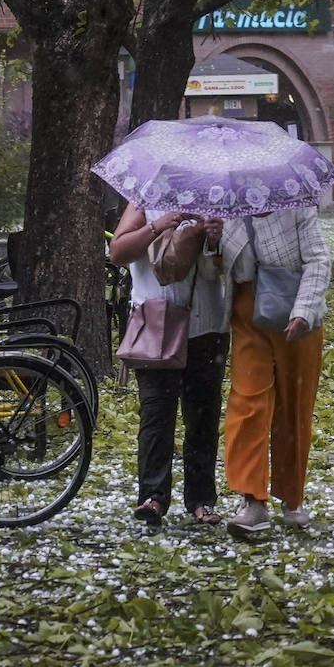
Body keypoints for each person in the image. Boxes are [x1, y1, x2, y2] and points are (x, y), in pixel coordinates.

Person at [110, 205, 228, 527]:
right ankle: (153, 496)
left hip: (207, 327)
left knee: (202, 418)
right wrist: (156, 226)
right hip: (155, 325)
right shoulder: (144, 200)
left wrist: (216, 241)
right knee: (156, 416)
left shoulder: (215, 201)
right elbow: (117, 252)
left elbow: (227, 269)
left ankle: (201, 499)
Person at [216, 206, 330, 535]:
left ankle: (291, 496)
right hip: (249, 313)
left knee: (294, 407)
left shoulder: (298, 205)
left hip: (294, 309)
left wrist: (305, 311)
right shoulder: (228, 206)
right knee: (246, 401)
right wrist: (214, 243)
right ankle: (252, 500)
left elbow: (319, 261)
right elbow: (218, 272)